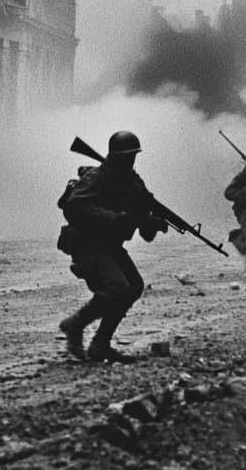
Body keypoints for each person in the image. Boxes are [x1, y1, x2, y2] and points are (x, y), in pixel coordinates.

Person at [56, 131, 168, 364]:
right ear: (115, 156)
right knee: (117, 287)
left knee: (134, 286)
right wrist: (116, 218)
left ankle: (100, 344)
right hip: (88, 244)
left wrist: (152, 223)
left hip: (109, 245)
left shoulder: (133, 182)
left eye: (133, 156)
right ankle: (75, 325)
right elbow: (75, 207)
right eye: (126, 156)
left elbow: (140, 219)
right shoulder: (96, 178)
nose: (131, 161)